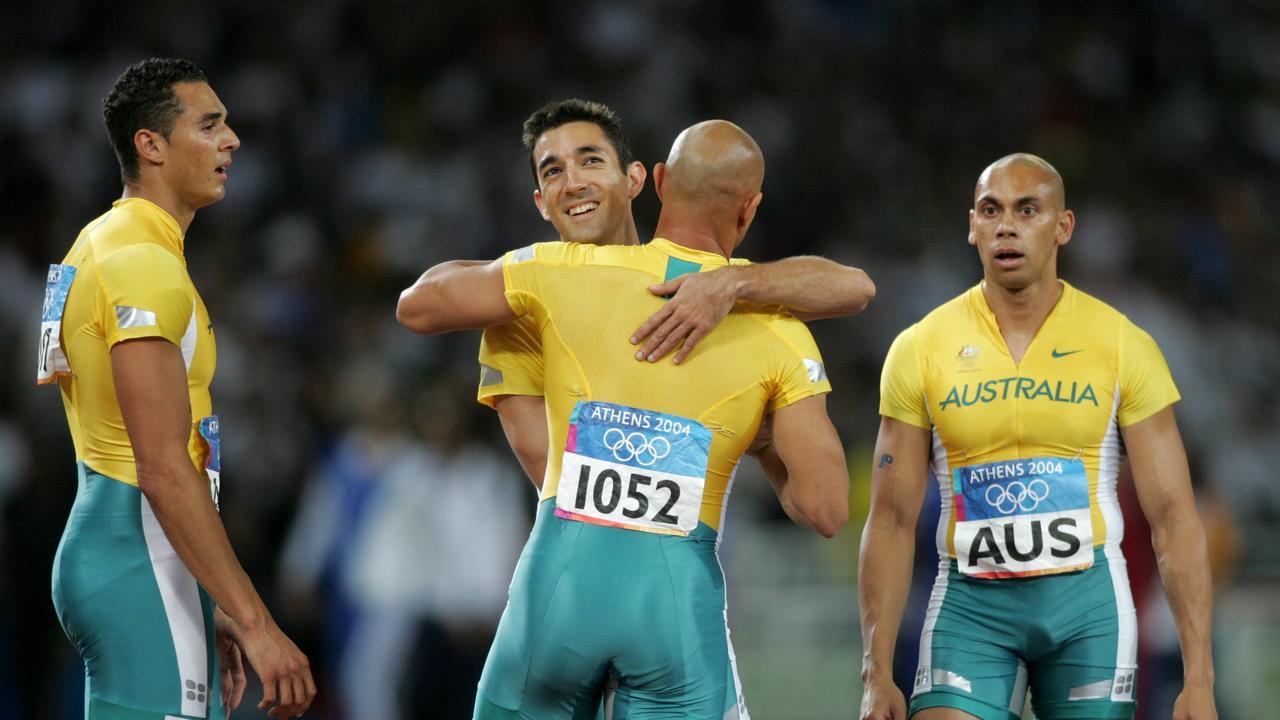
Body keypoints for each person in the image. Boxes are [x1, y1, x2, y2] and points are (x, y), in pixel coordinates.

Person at [398, 120, 851, 719]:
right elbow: (824, 510)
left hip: (557, 589)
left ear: (653, 182)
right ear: (750, 209)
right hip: (675, 605)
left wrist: (528, 266)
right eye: (553, 170)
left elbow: (418, 306)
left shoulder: (557, 276)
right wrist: (759, 439)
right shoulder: (783, 333)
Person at [857, 154, 1217, 720]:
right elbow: (892, 520)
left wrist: (1200, 679)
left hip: (1089, 612)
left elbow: (1175, 516)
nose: (1006, 226)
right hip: (969, 612)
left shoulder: (1123, 344)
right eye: (990, 210)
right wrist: (876, 673)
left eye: (1027, 210)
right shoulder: (920, 348)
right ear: (972, 226)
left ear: (1063, 226)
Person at [398, 98, 875, 491]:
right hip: (595, 558)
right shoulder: (524, 306)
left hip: (686, 558)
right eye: (552, 172)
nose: (574, 183)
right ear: (541, 203)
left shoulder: (693, 283)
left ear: (637, 180)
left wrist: (733, 282)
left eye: (590, 161)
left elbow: (855, 286)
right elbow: (560, 482)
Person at [37, 58, 315, 720]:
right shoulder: (140, 262)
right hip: (137, 551)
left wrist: (209, 591)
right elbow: (162, 464)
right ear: (151, 145)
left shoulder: (102, 243)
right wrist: (255, 622)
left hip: (144, 549)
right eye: (210, 124)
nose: (233, 140)